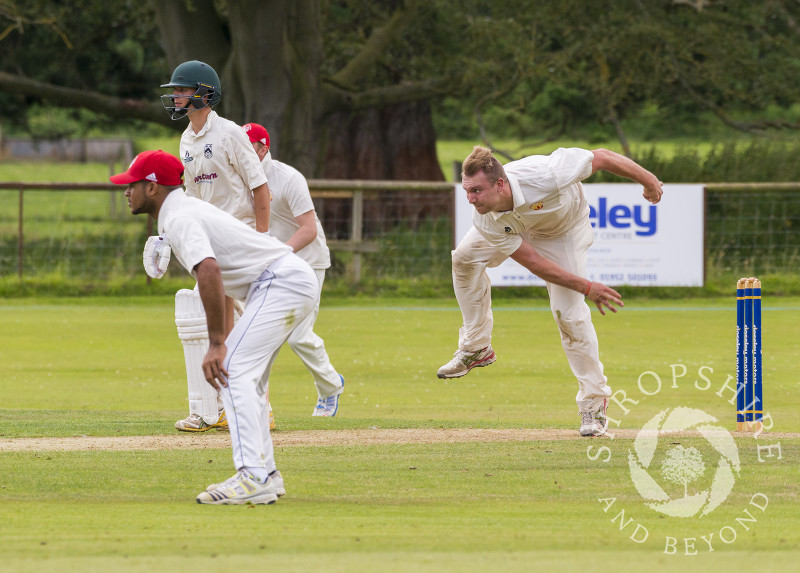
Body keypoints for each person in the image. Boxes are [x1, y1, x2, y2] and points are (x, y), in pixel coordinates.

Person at [111, 149, 318, 504]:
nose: (127, 191)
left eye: (134, 184)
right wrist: (220, 340)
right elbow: (217, 276)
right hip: (283, 282)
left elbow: (209, 271)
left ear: (154, 188)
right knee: (245, 377)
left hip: (281, 283)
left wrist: (217, 343)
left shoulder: (179, 217)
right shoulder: (180, 212)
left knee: (232, 369)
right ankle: (265, 474)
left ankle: (252, 477)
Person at [438, 146, 663, 437]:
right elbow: (533, 262)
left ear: (500, 184)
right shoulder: (483, 215)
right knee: (464, 259)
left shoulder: (546, 175)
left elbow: (603, 157)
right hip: (517, 229)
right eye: (467, 191)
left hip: (564, 230)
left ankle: (594, 405)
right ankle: (476, 347)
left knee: (569, 316)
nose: (471, 199)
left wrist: (648, 181)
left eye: (477, 190)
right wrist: (589, 288)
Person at [159, 60, 273, 432]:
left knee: (244, 328)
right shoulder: (187, 139)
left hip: (239, 239)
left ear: (204, 93)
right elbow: (190, 198)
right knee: (204, 322)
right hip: (210, 240)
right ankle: (212, 409)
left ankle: (260, 409)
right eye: (174, 91)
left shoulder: (229, 134)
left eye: (182, 90)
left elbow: (260, 188)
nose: (175, 96)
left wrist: (260, 237)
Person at [242, 123, 344, 416]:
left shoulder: (288, 178)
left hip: (307, 261)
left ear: (263, 148)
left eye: (248, 147)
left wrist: (277, 255)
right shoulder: (238, 176)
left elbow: (309, 230)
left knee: (298, 336)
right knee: (255, 334)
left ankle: (330, 388)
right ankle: (252, 404)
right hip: (268, 263)